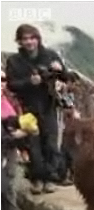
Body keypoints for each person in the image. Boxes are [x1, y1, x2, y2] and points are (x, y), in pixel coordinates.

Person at [5, 24, 71, 195]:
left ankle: (49, 178)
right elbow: (11, 84)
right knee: (33, 144)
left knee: (50, 142)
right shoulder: (14, 61)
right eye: (25, 39)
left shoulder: (50, 55)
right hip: (27, 107)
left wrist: (59, 70)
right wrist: (29, 82)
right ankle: (37, 179)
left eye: (32, 38)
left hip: (49, 104)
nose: (29, 42)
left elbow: (66, 77)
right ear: (19, 41)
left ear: (37, 38)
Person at [2, 88, 35, 210]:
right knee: (6, 185)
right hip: (5, 150)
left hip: (8, 151)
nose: (3, 83)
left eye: (3, 80)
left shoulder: (6, 101)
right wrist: (15, 136)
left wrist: (18, 122)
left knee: (8, 184)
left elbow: (6, 123)